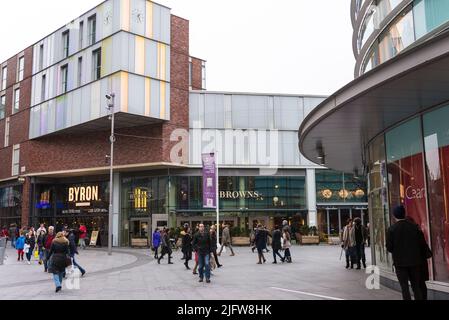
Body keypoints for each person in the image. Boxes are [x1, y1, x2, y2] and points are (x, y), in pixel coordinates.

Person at [386, 205, 431, 300]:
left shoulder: (392, 229)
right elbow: (422, 243)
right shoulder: (414, 227)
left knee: (404, 287)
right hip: (415, 262)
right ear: (404, 213)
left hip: (400, 263)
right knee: (416, 286)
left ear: (394, 216)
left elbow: (389, 248)